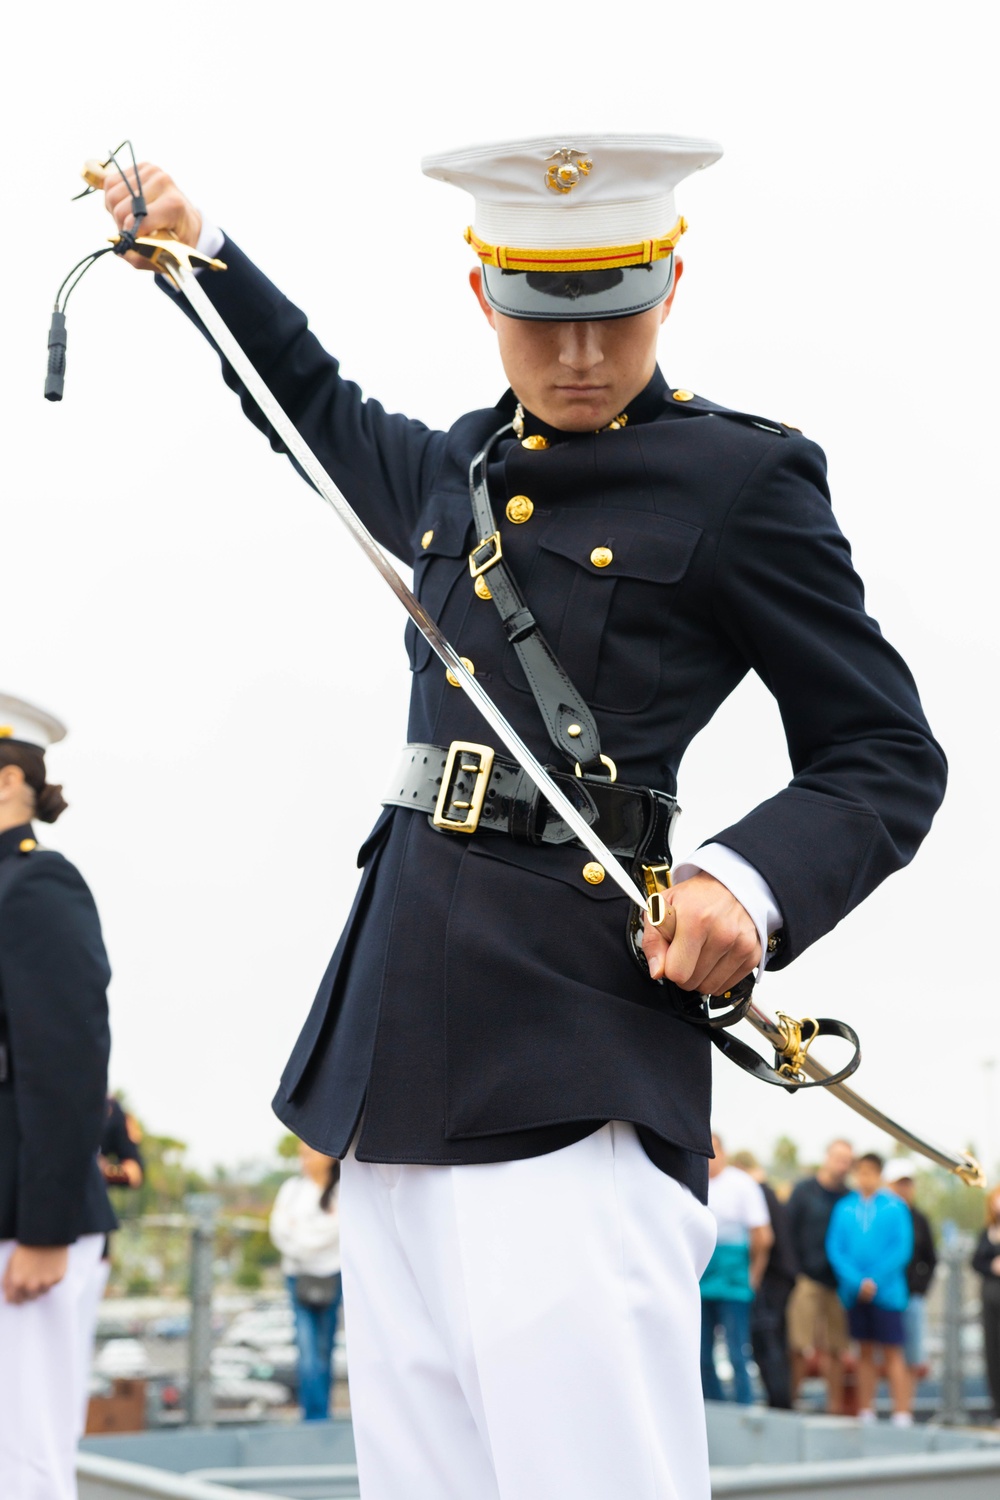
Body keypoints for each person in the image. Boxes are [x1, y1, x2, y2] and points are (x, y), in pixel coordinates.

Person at [100, 135, 946, 1498]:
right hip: (392, 1059)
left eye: (613, 313)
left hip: (577, 1059)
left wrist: (744, 885)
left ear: (672, 279)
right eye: (545, 319)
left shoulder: (742, 481)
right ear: (484, 295)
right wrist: (196, 254)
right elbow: (302, 398)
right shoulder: (455, 474)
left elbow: (883, 751)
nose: (579, 356)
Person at [0, 694, 116, 1500]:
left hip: (22, 1231)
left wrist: (46, 1228)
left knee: (24, 1463)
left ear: (10, 782)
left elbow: (68, 1061)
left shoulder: (37, 883)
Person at [826, 1152, 914, 1425]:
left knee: (892, 1352)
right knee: (863, 1352)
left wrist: (875, 1279)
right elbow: (835, 1248)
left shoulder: (895, 1206)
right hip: (855, 1293)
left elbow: (901, 1248)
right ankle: (866, 1409)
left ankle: (901, 1412)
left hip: (886, 1293)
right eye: (861, 1171)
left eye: (871, 1171)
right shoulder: (844, 1208)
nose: (865, 1177)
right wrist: (856, 1281)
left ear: (879, 1174)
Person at [269, 1140, 342, 1422]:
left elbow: (334, 1231)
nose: (304, 1160)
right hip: (297, 1278)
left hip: (331, 1278)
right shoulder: (291, 1189)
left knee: (325, 1348)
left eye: (310, 1153)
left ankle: (322, 1413)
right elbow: (278, 1229)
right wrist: (307, 1240)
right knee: (307, 1349)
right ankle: (313, 1416)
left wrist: (300, 1235)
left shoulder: (341, 1191)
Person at [700, 1135, 773, 1404]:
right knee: (701, 1354)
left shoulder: (741, 1185)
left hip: (733, 1284)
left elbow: (763, 1237)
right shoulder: (691, 1181)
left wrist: (752, 1277)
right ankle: (713, 1406)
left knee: (737, 1351)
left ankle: (744, 1408)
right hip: (700, 1283)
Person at [786, 1139, 854, 1412]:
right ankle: (792, 1402)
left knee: (837, 1348)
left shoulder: (849, 1198)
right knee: (799, 1344)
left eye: (847, 1160)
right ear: (827, 1157)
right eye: (838, 1158)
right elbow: (787, 1231)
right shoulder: (803, 1191)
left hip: (839, 1284)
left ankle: (834, 1408)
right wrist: (794, 1272)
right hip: (807, 1279)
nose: (842, 1164)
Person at [732, 1149, 797, 1409]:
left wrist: (754, 1274)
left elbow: (763, 1240)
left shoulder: (755, 1191)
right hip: (783, 1277)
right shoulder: (766, 1191)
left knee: (768, 1346)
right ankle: (780, 1401)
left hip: (772, 1279)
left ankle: (779, 1403)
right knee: (775, 1344)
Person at [884, 1158, 936, 1410]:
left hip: (910, 1295)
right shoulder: (882, 1216)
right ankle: (888, 1407)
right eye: (899, 1183)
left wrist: (919, 1287)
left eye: (907, 1183)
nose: (904, 1188)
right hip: (885, 1295)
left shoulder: (920, 1219)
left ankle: (904, 1409)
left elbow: (930, 1259)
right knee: (886, 1353)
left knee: (911, 1356)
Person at [971, 1185, 1000, 1425]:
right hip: (990, 1297)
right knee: (992, 1352)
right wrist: (992, 1266)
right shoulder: (986, 1232)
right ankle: (996, 1409)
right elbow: (976, 1261)